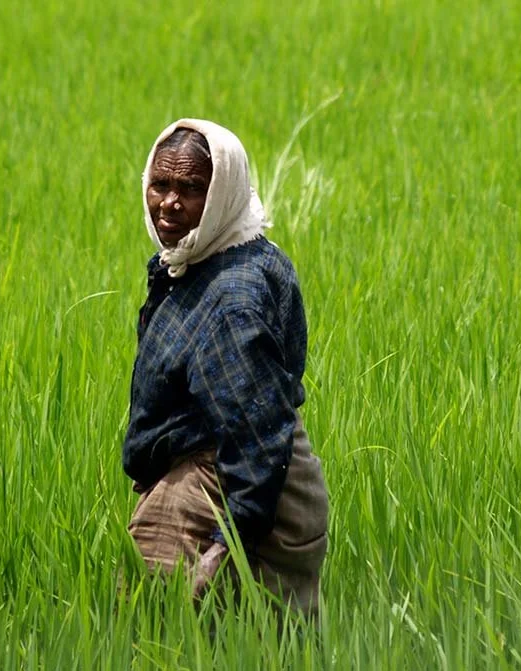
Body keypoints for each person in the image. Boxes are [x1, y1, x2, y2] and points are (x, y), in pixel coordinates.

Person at [123, 119, 329, 618]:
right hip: (239, 468)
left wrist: (226, 541)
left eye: (192, 189)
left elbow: (255, 432)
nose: (170, 203)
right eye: (161, 184)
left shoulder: (231, 299)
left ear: (221, 194)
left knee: (162, 634)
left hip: (224, 482)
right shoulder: (233, 251)